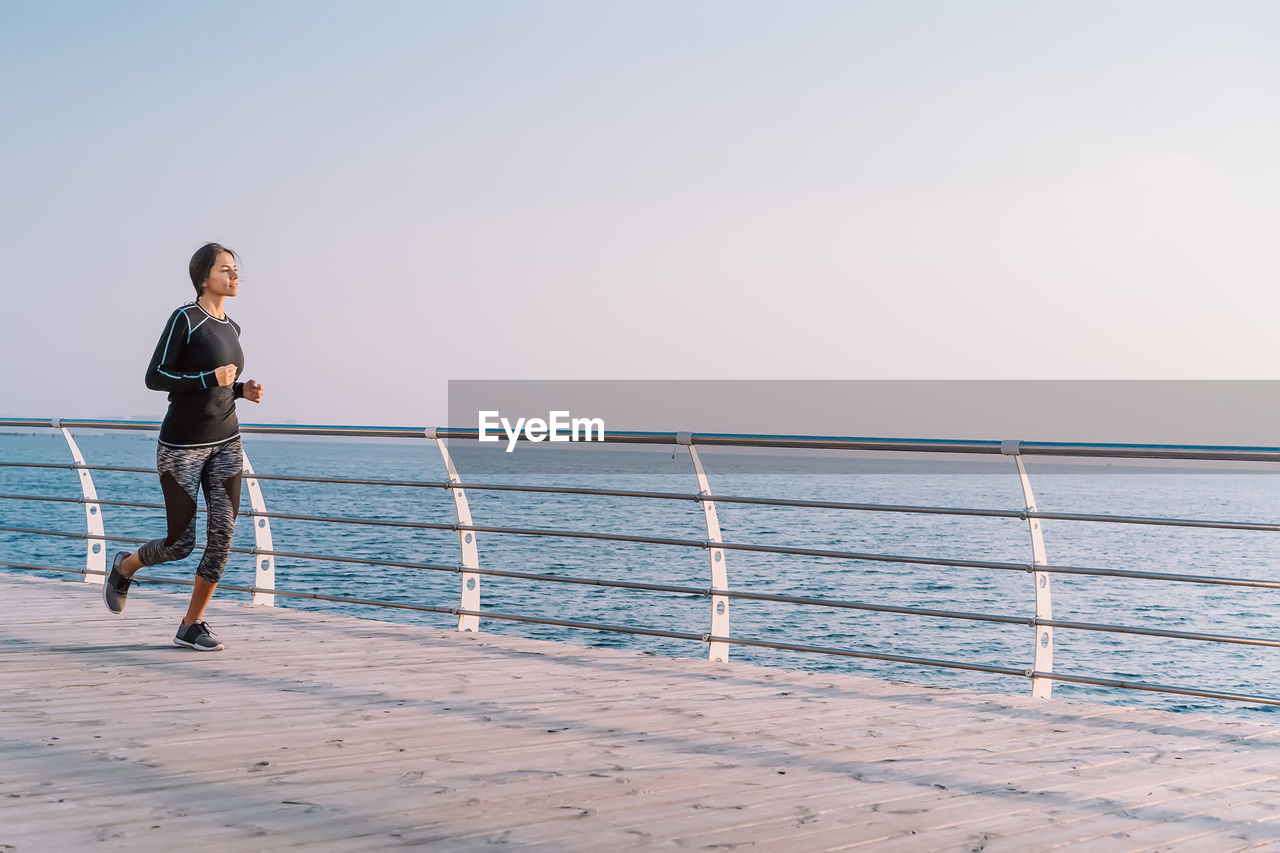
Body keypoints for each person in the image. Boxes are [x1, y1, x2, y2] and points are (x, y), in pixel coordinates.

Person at [102, 242, 265, 651]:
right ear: (203, 277)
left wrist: (241, 389)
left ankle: (192, 624)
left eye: (235, 269)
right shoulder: (185, 319)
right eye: (225, 270)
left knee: (223, 535)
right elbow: (155, 376)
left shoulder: (233, 327)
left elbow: (218, 386)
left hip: (227, 441)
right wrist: (209, 378)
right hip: (182, 447)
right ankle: (125, 566)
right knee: (180, 544)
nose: (234, 275)